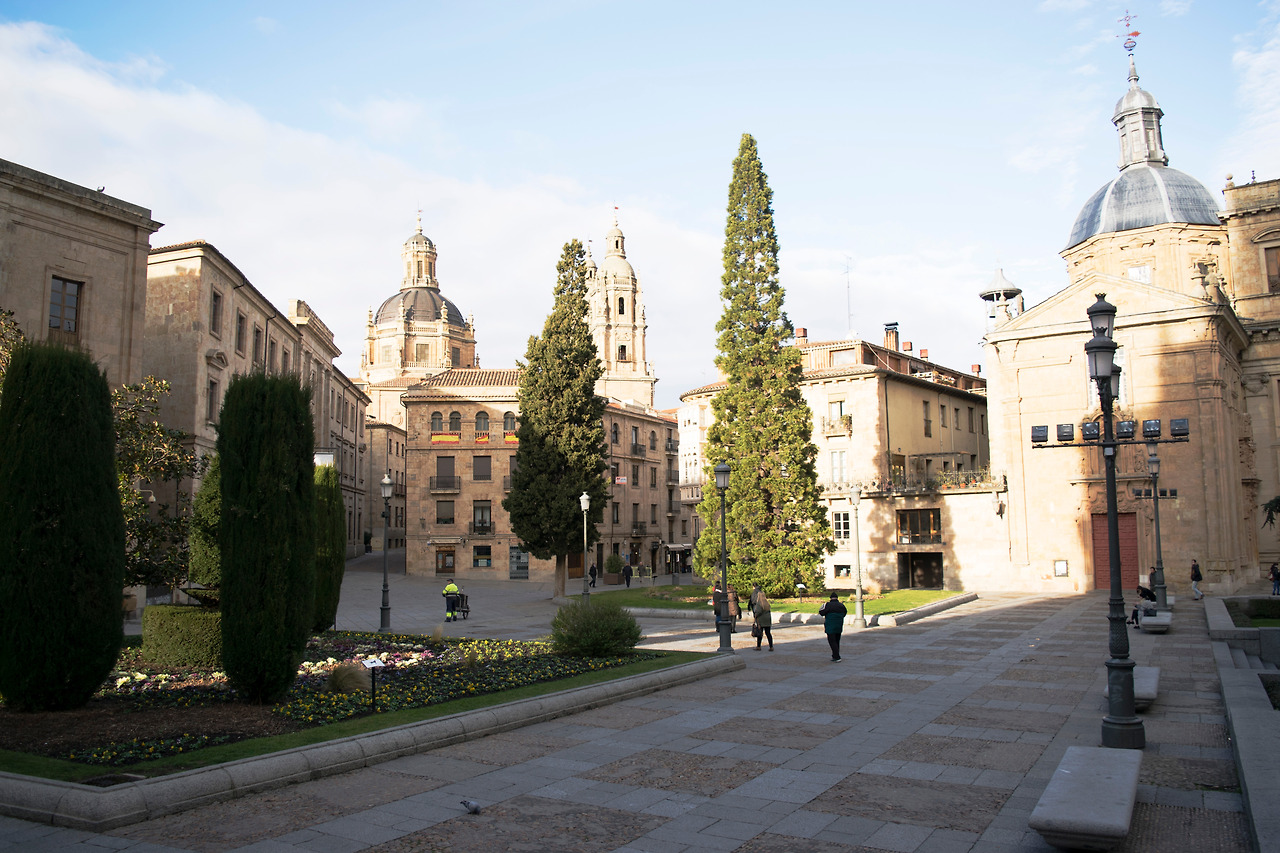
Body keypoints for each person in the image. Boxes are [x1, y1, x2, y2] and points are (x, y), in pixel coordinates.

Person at [819, 592, 848, 661]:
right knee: (837, 640)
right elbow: (844, 613)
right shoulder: (841, 605)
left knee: (832, 641)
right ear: (837, 598)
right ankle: (835, 655)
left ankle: (837, 656)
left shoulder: (827, 605)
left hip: (830, 626)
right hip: (839, 625)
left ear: (830, 598)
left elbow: (821, 612)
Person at [750, 584, 773, 651]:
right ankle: (771, 646)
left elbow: (758, 611)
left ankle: (758, 646)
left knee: (760, 633)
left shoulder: (759, 604)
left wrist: (755, 616)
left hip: (761, 620)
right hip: (767, 620)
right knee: (768, 633)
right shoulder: (767, 603)